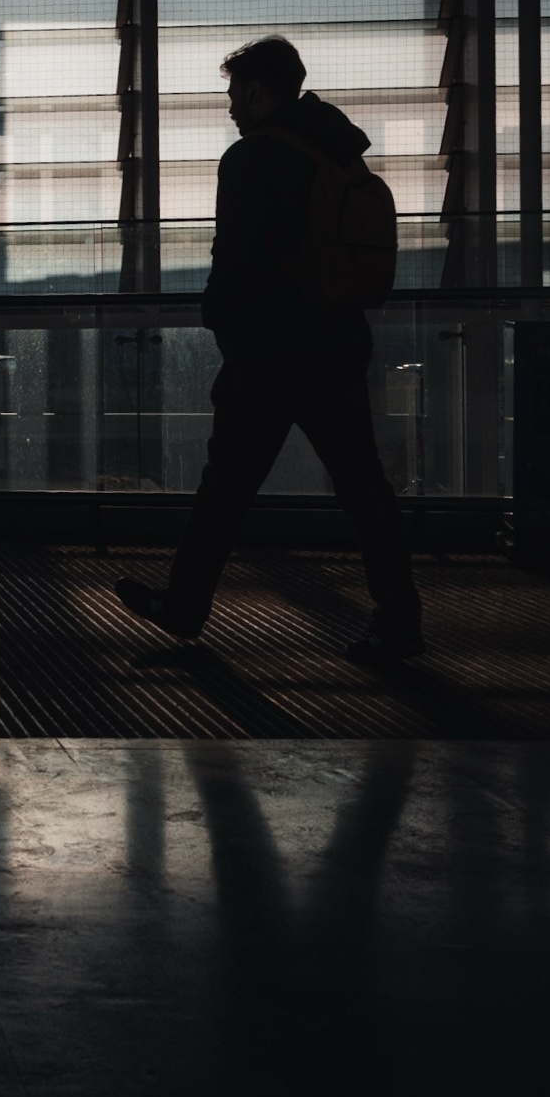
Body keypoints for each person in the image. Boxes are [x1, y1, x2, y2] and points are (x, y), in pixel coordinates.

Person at [114, 34, 424, 660]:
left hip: (269, 352)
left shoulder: (254, 157)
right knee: (364, 487)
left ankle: (182, 606)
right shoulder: (338, 150)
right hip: (336, 341)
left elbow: (238, 259)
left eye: (234, 93)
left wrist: (219, 320)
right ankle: (399, 619)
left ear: (257, 90)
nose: (230, 107)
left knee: (225, 485)